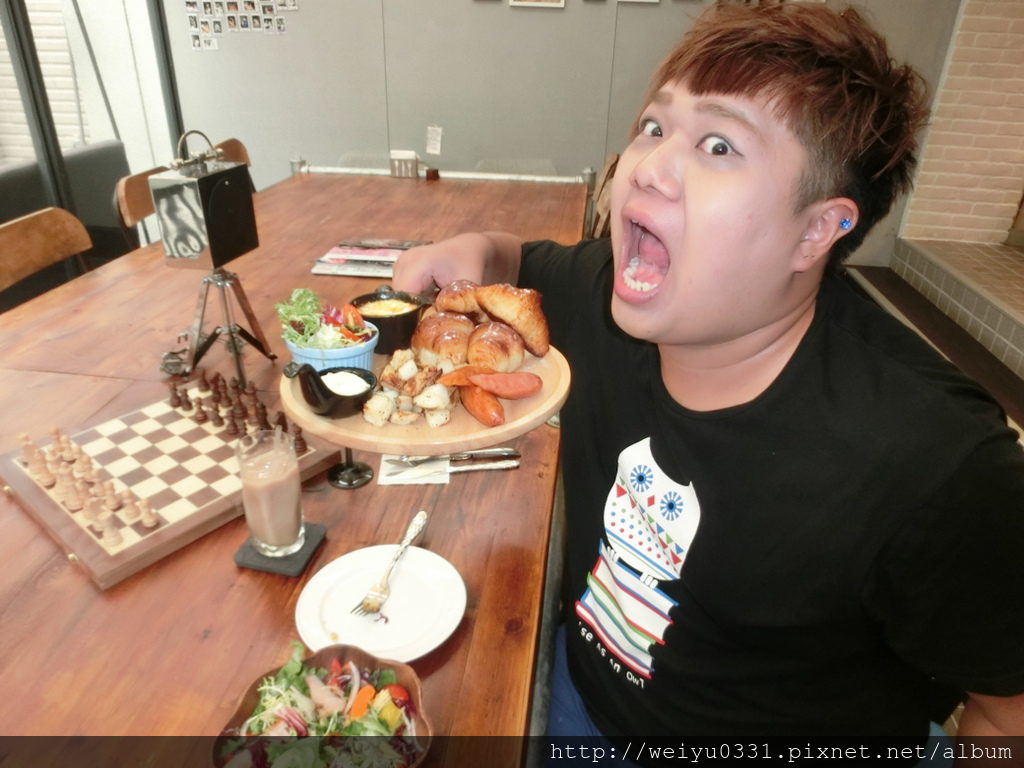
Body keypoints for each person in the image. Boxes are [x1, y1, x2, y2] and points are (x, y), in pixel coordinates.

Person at [393, 0, 1024, 753]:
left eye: (719, 145)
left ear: (817, 230)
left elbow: (1008, 715)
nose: (647, 166)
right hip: (582, 705)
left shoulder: (937, 460)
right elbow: (516, 263)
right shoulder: (603, 294)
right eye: (654, 127)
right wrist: (470, 249)